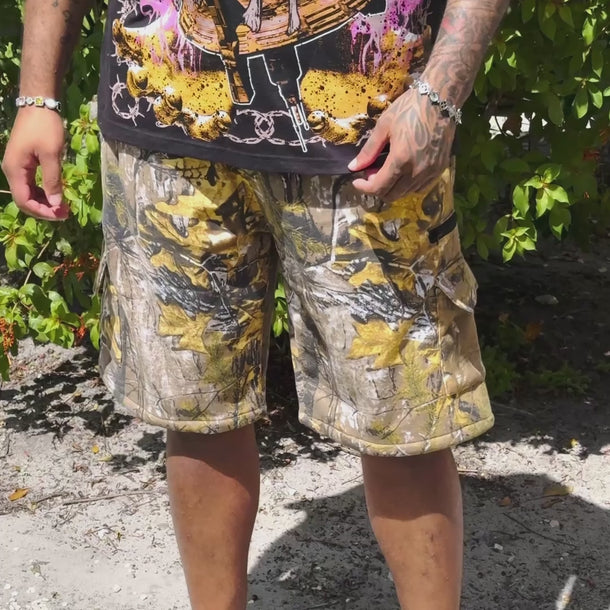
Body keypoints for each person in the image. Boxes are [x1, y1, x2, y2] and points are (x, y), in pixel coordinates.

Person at [2, 0, 508, 607]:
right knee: (196, 412)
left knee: (403, 420)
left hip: (365, 131)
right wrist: (37, 96)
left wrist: (439, 95)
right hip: (164, 108)